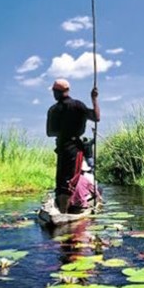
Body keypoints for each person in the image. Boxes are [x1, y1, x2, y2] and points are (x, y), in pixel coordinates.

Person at [46, 78, 100, 213]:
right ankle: (65, 211)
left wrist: (63, 130)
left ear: (56, 92)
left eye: (54, 91)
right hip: (74, 148)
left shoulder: (53, 110)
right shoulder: (77, 106)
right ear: (67, 90)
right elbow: (96, 117)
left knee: (61, 179)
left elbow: (49, 133)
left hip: (62, 147)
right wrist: (94, 99)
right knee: (70, 179)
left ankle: (63, 210)